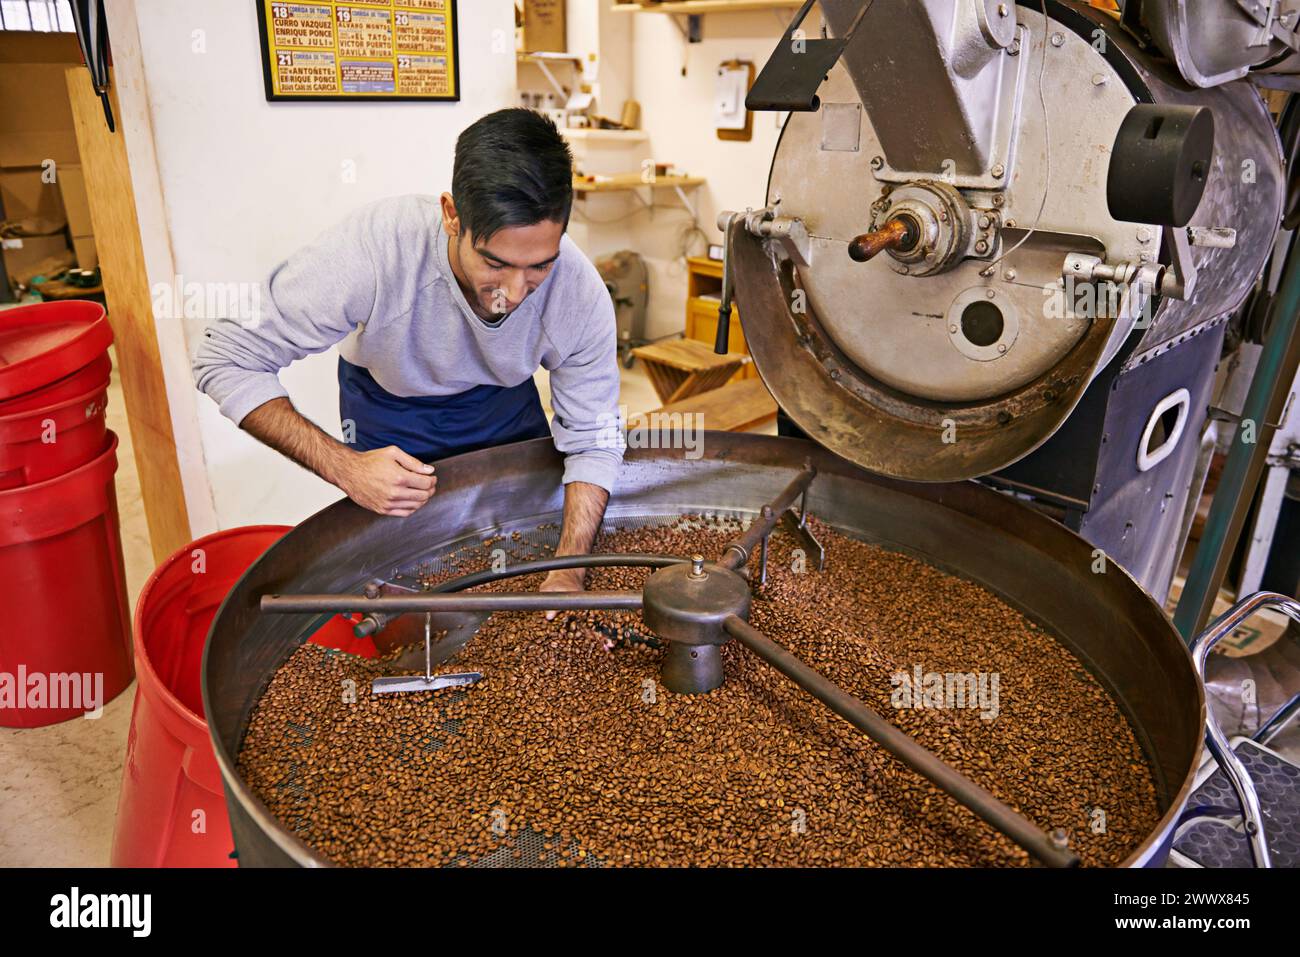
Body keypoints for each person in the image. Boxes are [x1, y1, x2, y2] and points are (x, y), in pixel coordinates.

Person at [193, 108, 623, 616]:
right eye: (495, 263)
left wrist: (569, 571)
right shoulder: (374, 253)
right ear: (451, 215)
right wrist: (345, 467)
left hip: (504, 407)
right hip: (390, 409)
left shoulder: (577, 289)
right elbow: (224, 358)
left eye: (538, 267)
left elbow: (594, 436)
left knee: (520, 562)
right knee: (403, 595)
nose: (513, 292)